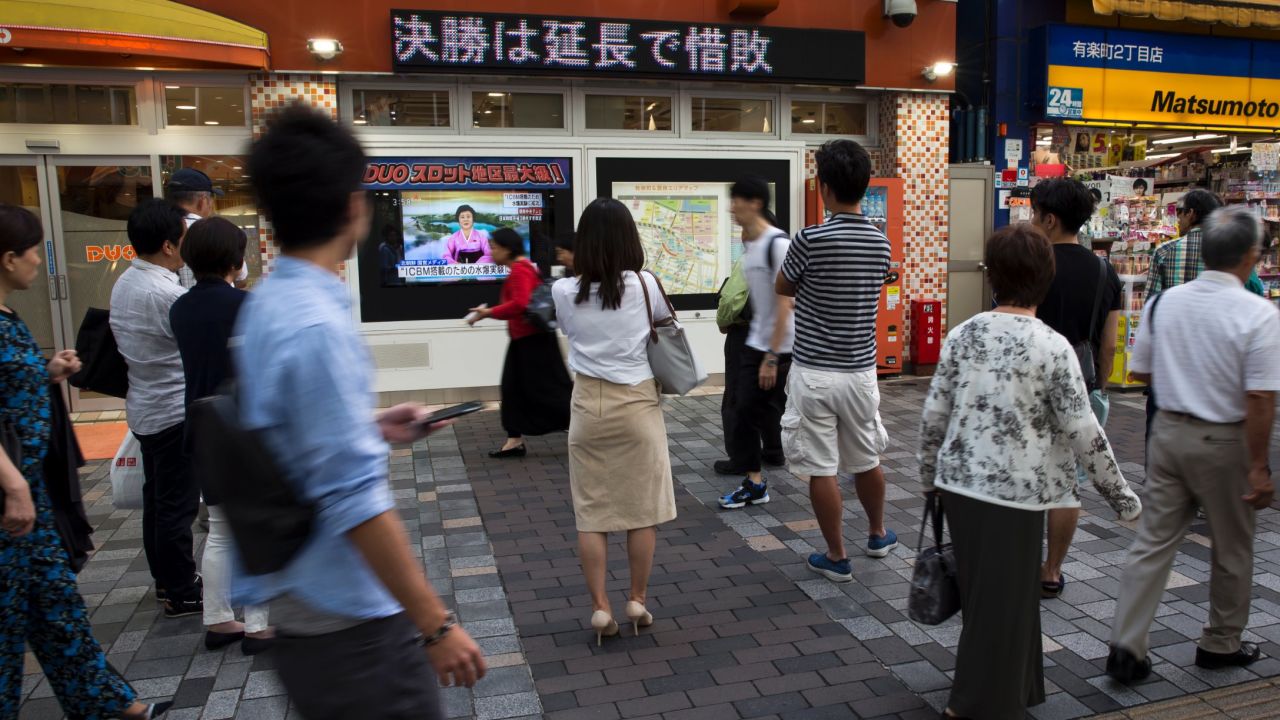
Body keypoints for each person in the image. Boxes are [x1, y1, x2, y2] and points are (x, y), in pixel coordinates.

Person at [234, 104, 484, 720]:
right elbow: (354, 498)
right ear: (353, 206)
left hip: (303, 603)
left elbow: (286, 439)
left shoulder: (268, 304)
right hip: (350, 620)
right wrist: (435, 625)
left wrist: (371, 427)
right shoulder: (318, 323)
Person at [919, 224, 1141, 720]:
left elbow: (934, 414)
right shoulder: (1053, 346)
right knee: (1003, 603)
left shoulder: (962, 334)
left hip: (959, 484)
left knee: (991, 597)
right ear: (1046, 277)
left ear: (993, 276)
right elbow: (1084, 430)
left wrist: (927, 476)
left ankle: (1019, 686)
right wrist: (1122, 496)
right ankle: (975, 705)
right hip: (1014, 496)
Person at [1, 203, 171, 719]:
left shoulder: (7, 317)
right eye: (32, 251)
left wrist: (48, 371)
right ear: (8, 259)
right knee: (8, 628)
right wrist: (12, 487)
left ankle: (111, 705)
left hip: (29, 498)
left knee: (57, 610)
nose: (38, 260)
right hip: (11, 498)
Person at [1108, 206, 1280, 683]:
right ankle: (1220, 643)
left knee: (1153, 542)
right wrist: (1259, 468)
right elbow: (1261, 397)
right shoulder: (1259, 314)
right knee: (1231, 547)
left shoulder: (1165, 303)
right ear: (1251, 256)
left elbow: (1140, 371)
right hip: (1225, 440)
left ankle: (1127, 644)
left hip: (1167, 433)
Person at [551, 197, 678, 645]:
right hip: (638, 403)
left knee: (592, 514)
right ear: (630, 239)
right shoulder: (645, 284)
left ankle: (600, 608)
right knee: (642, 512)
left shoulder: (564, 291)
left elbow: (572, 330)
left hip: (587, 405)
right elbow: (663, 327)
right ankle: (637, 600)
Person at [776, 139, 897, 583]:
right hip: (861, 372)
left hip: (814, 372)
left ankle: (836, 554)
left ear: (823, 186)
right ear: (864, 187)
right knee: (866, 457)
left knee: (822, 466)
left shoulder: (810, 238)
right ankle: (878, 534)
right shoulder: (880, 243)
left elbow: (783, 288)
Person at [168, 217, 273, 654]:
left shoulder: (180, 307)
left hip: (201, 425)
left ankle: (218, 620)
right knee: (261, 528)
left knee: (221, 531)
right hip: (243, 426)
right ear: (236, 259)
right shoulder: (246, 307)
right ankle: (259, 627)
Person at [110, 199, 203, 619]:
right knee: (176, 508)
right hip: (171, 411)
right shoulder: (165, 293)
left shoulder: (126, 282)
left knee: (157, 502)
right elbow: (194, 348)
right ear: (168, 245)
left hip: (145, 407)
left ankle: (166, 580)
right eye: (182, 238)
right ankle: (182, 589)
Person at [1031, 178, 1123, 599]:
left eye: (1034, 215)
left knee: (1028, 471)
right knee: (1067, 482)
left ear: (1049, 219)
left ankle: (1024, 558)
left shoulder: (1031, 263)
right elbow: (1109, 342)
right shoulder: (1105, 271)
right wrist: (1100, 387)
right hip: (1081, 385)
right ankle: (1052, 570)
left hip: (1031, 383)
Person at [1144, 190, 1267, 440]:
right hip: (1218, 374)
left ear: (1191, 214)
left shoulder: (1165, 252)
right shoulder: (1233, 255)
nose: (1178, 219)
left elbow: (1151, 309)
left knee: (1161, 447)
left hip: (1171, 372)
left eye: (1180, 212)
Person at [719, 177, 793, 509]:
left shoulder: (779, 244)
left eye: (737, 201)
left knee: (755, 410)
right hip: (754, 342)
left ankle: (760, 479)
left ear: (755, 204)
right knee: (743, 410)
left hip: (776, 346)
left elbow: (784, 302)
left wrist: (772, 356)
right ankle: (754, 481)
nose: (732, 208)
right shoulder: (751, 245)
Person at [466, 228, 571, 457]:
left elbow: (521, 304)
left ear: (507, 248)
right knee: (515, 389)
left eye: (494, 247)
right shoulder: (521, 268)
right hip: (526, 339)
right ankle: (514, 440)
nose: (490, 252)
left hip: (532, 341)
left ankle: (583, 425)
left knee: (548, 390)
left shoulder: (521, 270)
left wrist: (488, 312)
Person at [167, 167, 228, 289]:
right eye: (211, 199)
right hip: (209, 303)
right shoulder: (216, 232)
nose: (211, 204)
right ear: (203, 201)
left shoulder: (158, 229)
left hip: (171, 304)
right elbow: (241, 276)